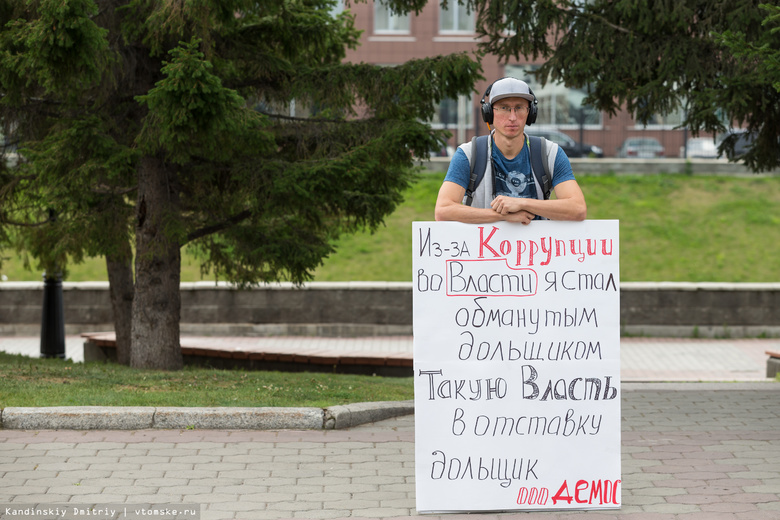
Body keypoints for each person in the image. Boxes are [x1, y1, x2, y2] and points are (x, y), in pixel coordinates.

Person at [434, 77, 587, 224]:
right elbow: (443, 210)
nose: (512, 117)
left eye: (519, 108)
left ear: (530, 113)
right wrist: (501, 216)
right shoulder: (469, 154)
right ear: (489, 113)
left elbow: (578, 209)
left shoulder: (550, 154)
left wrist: (522, 203)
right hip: (483, 248)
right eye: (504, 108)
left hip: (536, 248)